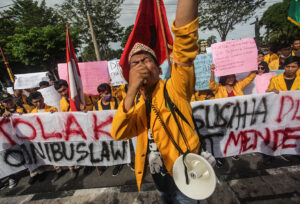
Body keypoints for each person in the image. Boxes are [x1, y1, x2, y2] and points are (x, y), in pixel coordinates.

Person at [111, 1, 214, 202]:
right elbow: (118, 133)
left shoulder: (174, 87)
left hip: (187, 177)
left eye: (147, 60)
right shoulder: (136, 105)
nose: (141, 64)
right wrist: (131, 90)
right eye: (135, 63)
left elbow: (184, 44)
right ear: (129, 75)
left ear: (158, 69)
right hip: (160, 179)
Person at [93, 83, 124, 176]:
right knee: (109, 148)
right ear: (100, 94)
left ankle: (119, 164)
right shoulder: (96, 106)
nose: (108, 95)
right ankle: (111, 163)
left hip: (116, 129)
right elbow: (95, 118)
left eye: (109, 93)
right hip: (104, 131)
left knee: (118, 147)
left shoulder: (116, 101)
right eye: (106, 93)